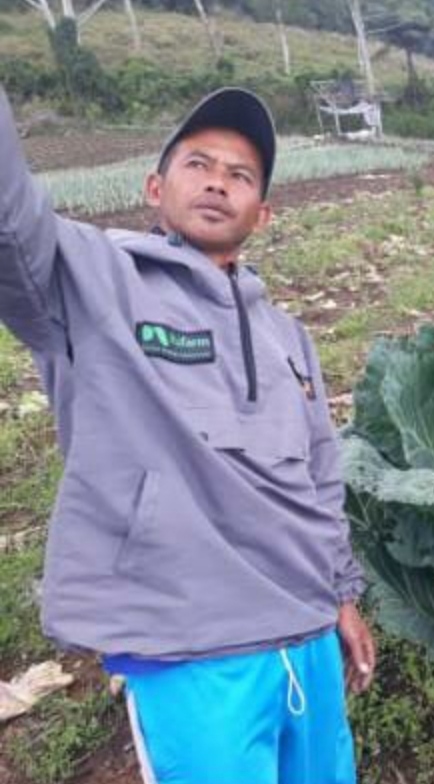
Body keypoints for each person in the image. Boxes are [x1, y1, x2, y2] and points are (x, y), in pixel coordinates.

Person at [0, 86, 374, 784]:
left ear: (262, 213)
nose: (216, 182)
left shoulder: (289, 337)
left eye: (240, 176)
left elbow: (321, 476)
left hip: (307, 630)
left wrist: (343, 596)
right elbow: (9, 225)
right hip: (191, 646)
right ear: (155, 186)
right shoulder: (92, 283)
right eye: (198, 163)